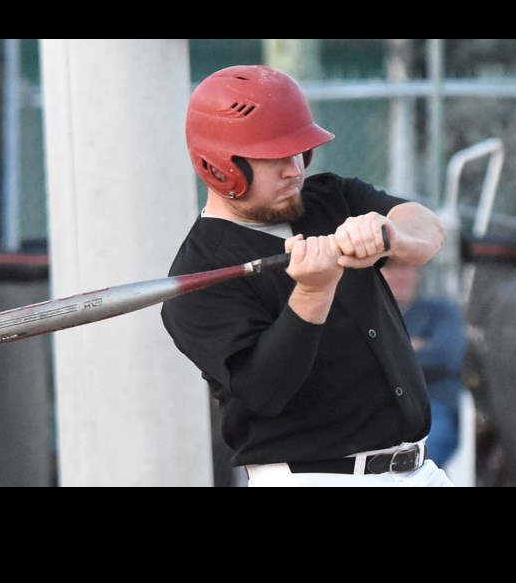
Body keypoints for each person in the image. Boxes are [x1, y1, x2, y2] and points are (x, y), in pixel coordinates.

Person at [161, 65, 452, 487]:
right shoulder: (201, 274)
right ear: (221, 167)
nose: (294, 169)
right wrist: (313, 292)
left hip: (419, 469)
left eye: (299, 152)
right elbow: (265, 391)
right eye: (275, 158)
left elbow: (429, 232)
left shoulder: (329, 198)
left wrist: (387, 234)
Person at [380, 261, 467, 466]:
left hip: (433, 408)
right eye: (391, 269)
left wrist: (387, 353)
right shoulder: (370, 316)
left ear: (418, 273)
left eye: (405, 267)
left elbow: (446, 357)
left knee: (417, 461)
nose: (399, 276)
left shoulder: (443, 311)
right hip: (381, 412)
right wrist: (413, 347)